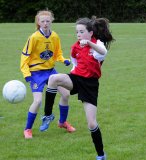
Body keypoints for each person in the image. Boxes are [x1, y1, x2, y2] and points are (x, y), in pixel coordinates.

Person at [43, 17, 114, 160]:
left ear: (91, 32)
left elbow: (103, 52)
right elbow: (75, 63)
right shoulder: (76, 46)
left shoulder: (96, 44)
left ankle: (101, 155)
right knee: (53, 78)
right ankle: (48, 115)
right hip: (76, 79)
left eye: (81, 32)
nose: (79, 34)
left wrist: (88, 43)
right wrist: (71, 76)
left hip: (90, 85)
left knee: (92, 123)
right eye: (77, 32)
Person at [20, 10, 76, 139]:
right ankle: (28, 129)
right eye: (42, 21)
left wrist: (64, 60)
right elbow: (25, 56)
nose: (45, 23)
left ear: (51, 21)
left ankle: (62, 122)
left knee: (66, 94)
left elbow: (57, 53)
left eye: (48, 21)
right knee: (38, 101)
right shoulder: (34, 37)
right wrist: (26, 73)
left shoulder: (55, 36)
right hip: (36, 73)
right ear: (38, 22)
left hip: (51, 71)